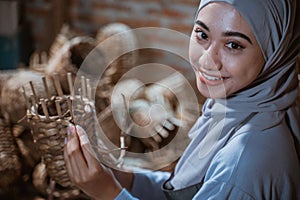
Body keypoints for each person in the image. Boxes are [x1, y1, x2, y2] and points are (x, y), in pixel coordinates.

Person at [64, 0, 300, 199]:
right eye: (202, 34)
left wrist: (107, 193)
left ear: (274, 53)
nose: (207, 61)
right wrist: (127, 179)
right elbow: (191, 188)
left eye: (233, 45)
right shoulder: (236, 110)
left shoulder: (245, 159)